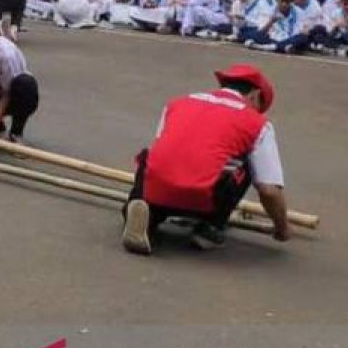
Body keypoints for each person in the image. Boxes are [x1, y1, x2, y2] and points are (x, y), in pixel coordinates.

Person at [121, 65, 291, 255]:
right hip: (203, 199)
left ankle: (145, 211)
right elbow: (269, 190)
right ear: (255, 95)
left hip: (157, 190)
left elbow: (161, 150)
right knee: (249, 163)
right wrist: (282, 227)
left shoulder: (178, 103)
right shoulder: (258, 123)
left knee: (155, 157)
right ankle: (211, 227)